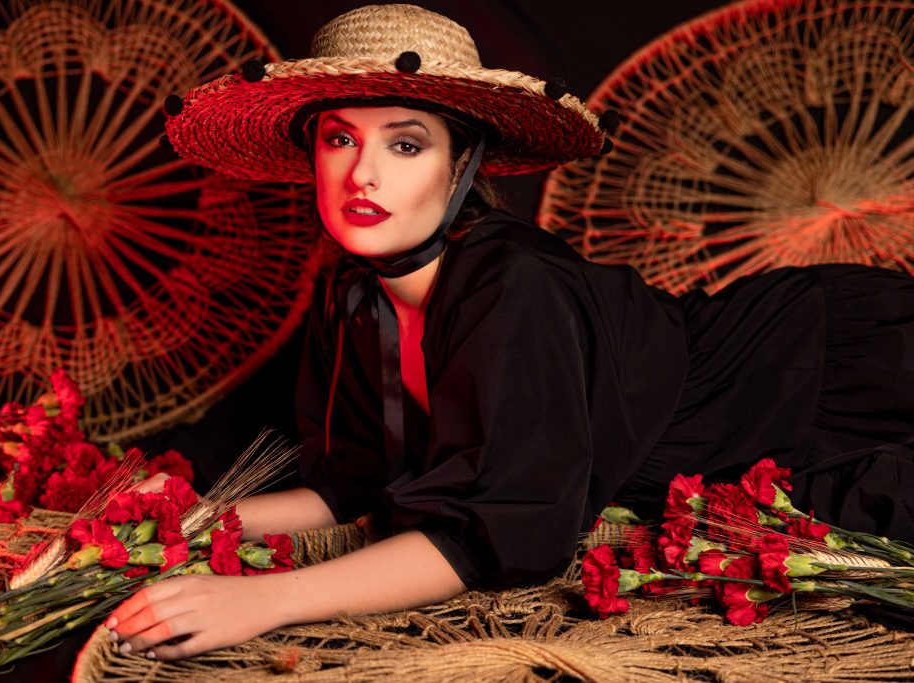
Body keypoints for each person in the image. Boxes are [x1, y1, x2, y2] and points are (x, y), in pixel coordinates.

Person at [106, 3, 914, 659]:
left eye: (406, 143)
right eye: (339, 138)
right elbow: (349, 488)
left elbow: (497, 534)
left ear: (462, 166)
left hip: (824, 380)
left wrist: (264, 600)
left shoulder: (512, 285)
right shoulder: (353, 300)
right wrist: (200, 512)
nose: (363, 174)